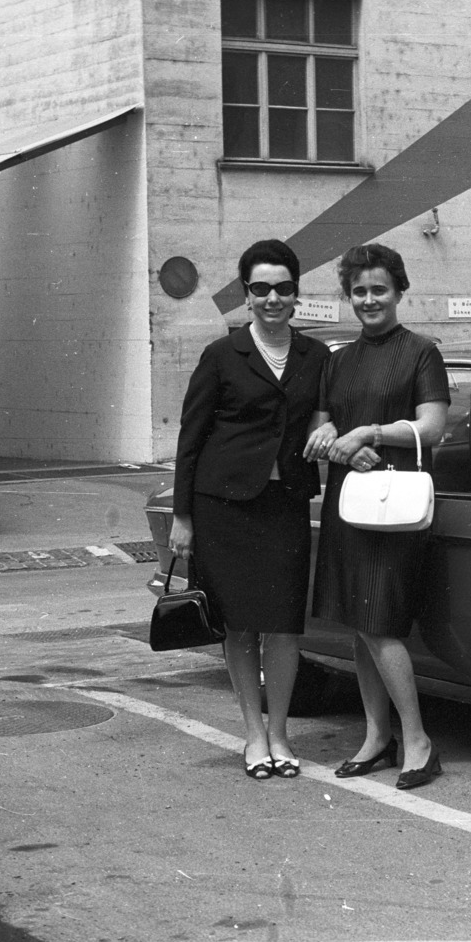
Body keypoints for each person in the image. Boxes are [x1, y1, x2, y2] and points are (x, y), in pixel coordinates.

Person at [170, 239, 329, 781]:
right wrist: (182, 517)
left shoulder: (316, 357)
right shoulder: (222, 355)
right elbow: (191, 438)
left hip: (285, 506)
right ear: (246, 294)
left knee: (283, 626)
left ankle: (280, 734)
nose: (272, 298)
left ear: (296, 293)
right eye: (261, 288)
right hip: (224, 509)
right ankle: (254, 736)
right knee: (238, 626)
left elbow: (324, 415)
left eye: (283, 288)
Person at [303, 243, 449, 790]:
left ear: (399, 291)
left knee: (380, 622)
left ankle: (419, 742)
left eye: (379, 290)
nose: (368, 300)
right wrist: (331, 440)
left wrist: (371, 434)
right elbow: (320, 428)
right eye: (359, 291)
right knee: (359, 622)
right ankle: (376, 737)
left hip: (395, 505)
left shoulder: (421, 352)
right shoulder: (338, 360)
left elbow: (432, 428)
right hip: (350, 498)